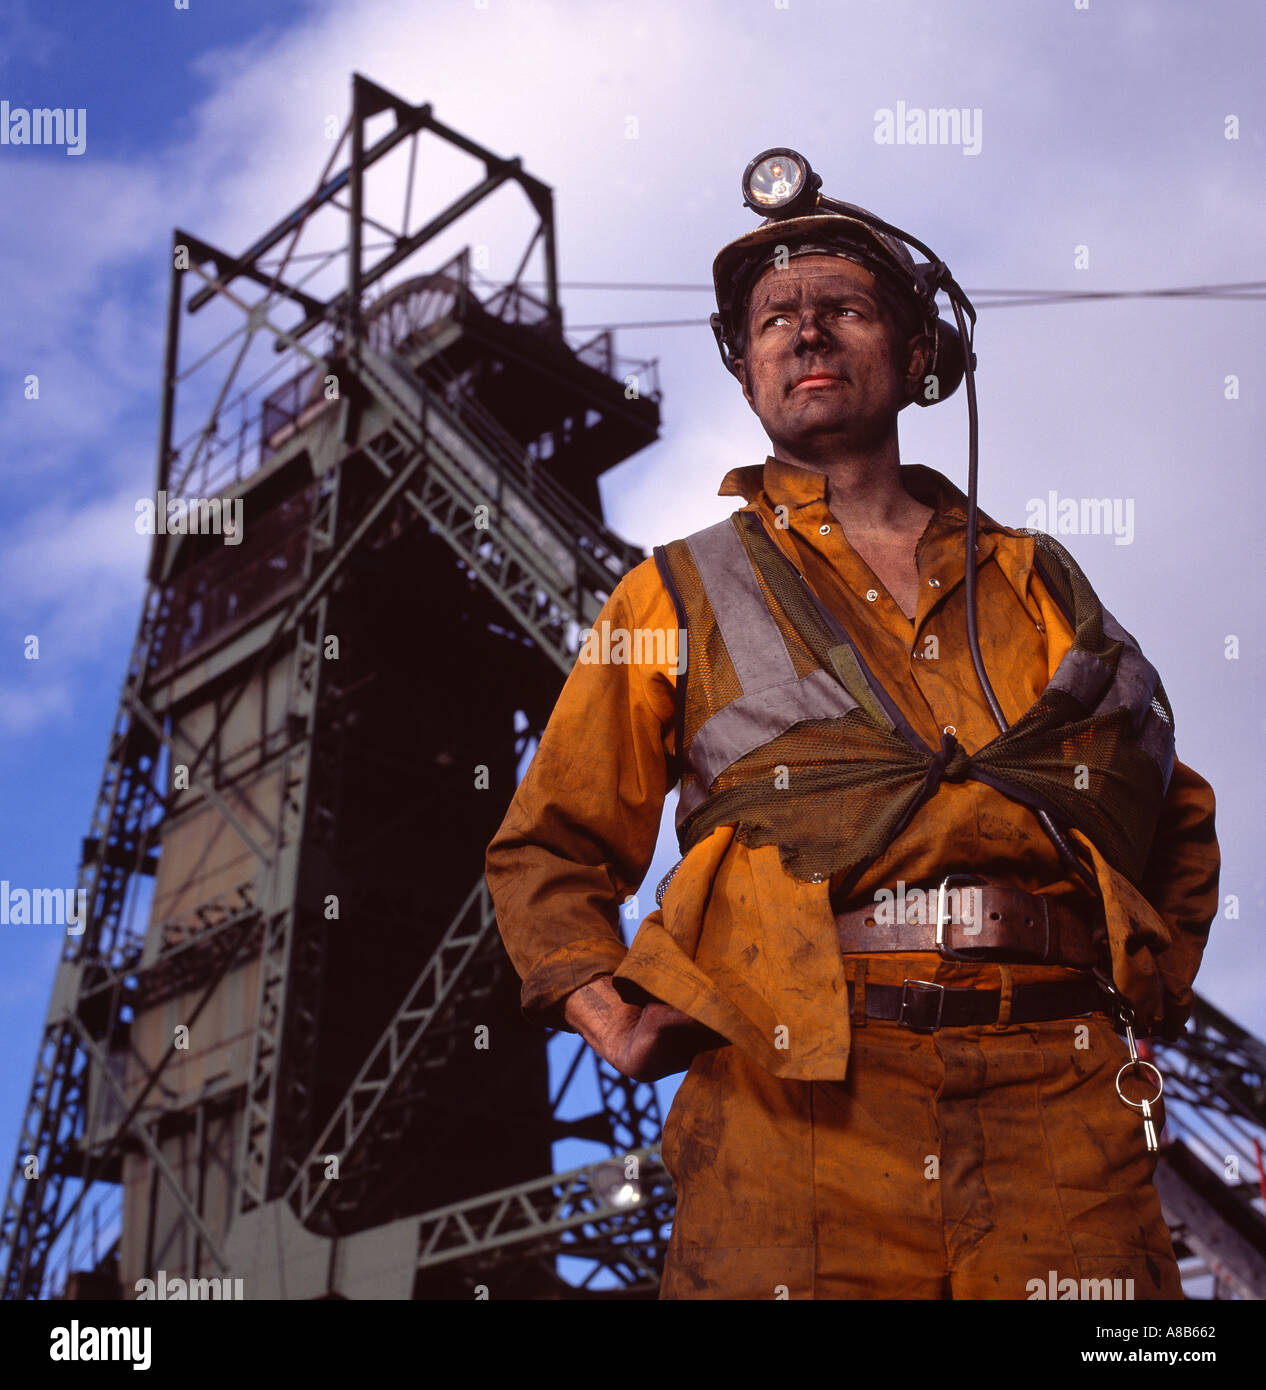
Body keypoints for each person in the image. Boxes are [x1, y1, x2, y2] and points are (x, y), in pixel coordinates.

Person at [484, 193, 1220, 1300]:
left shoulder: (1036, 578)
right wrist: (608, 1014)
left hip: (1060, 1117)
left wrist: (1134, 1002)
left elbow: (1169, 806)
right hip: (794, 1111)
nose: (807, 332)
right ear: (747, 375)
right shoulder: (674, 590)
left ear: (919, 352)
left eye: (844, 308)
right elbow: (550, 845)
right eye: (776, 318)